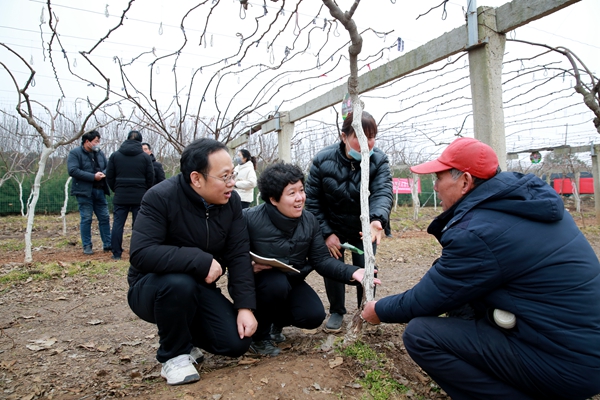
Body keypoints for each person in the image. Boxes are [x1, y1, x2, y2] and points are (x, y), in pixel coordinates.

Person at [362, 137, 600, 400]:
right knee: (463, 303)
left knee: (422, 335)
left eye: (439, 178)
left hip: (567, 366)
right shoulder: (528, 206)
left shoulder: (479, 232)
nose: (436, 187)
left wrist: (379, 310)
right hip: (580, 347)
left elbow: (427, 299)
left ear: (465, 182)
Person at [126, 138, 257, 386]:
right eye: (225, 176)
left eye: (233, 175)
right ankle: (173, 356)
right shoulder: (160, 197)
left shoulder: (232, 203)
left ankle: (186, 339)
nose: (232, 183)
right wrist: (199, 259)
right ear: (196, 178)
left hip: (198, 289)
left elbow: (239, 255)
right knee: (179, 283)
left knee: (235, 342)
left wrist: (244, 307)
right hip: (152, 288)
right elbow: (142, 252)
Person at [244, 163, 381, 356]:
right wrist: (248, 265)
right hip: (259, 285)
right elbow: (231, 253)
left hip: (291, 281)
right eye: (292, 193)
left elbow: (321, 260)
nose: (300, 198)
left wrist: (352, 272)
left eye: (301, 190)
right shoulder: (249, 219)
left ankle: (275, 323)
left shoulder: (309, 221)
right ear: (273, 199)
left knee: (312, 316)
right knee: (275, 284)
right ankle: (259, 338)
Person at [304, 111, 393, 333]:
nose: (367, 143)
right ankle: (337, 311)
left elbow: (383, 192)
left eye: (372, 137)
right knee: (334, 266)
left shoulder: (379, 160)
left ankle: (366, 307)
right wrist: (326, 233)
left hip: (365, 227)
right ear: (344, 136)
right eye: (360, 137)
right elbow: (313, 201)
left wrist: (376, 219)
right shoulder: (322, 160)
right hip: (332, 225)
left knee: (366, 267)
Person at [106, 131, 154, 260]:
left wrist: (116, 188)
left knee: (117, 224)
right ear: (140, 141)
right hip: (139, 196)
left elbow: (109, 176)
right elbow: (151, 177)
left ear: (126, 139)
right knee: (138, 226)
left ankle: (116, 253)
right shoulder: (145, 157)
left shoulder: (115, 156)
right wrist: (145, 190)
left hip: (121, 195)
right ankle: (136, 252)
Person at [67, 130, 112, 255]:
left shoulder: (99, 153)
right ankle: (87, 246)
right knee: (86, 218)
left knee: (104, 217)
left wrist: (104, 173)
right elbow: (73, 170)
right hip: (84, 191)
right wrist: (93, 177)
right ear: (87, 141)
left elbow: (108, 166)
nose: (98, 144)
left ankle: (108, 244)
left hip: (100, 190)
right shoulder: (75, 153)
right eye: (96, 141)